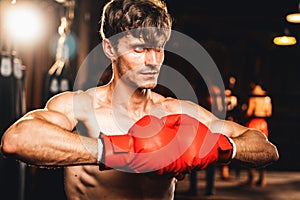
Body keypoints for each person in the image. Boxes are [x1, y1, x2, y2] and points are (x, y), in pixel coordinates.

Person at [1, 0, 278, 199]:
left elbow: (265, 148)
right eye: (140, 48)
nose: (153, 60)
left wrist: (221, 147)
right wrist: (123, 151)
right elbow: (16, 140)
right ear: (110, 48)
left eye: (159, 48)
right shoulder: (81, 108)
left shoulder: (174, 112)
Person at [245, 83, 273, 187]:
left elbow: (249, 112)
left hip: (254, 123)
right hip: (263, 123)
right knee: (263, 150)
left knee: (251, 151)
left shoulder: (253, 98)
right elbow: (269, 113)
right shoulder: (267, 98)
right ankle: (262, 179)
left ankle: (251, 178)